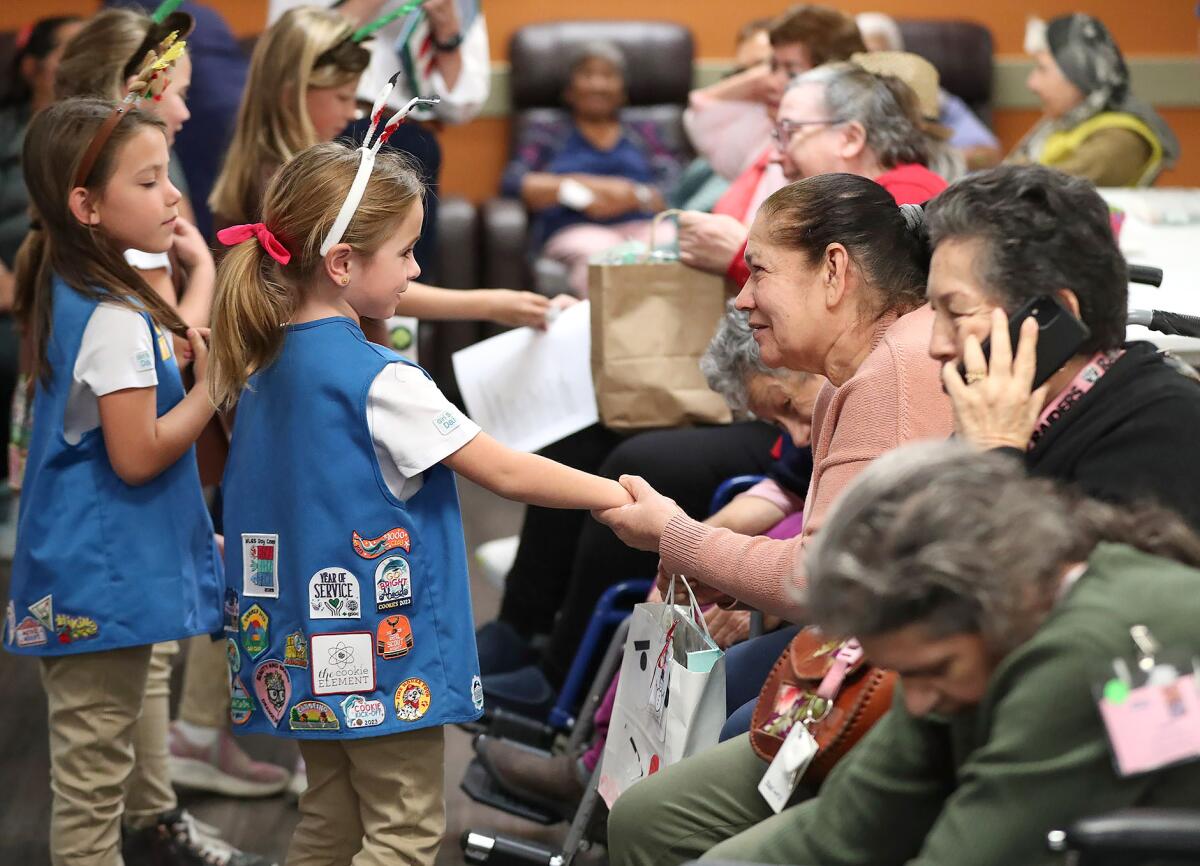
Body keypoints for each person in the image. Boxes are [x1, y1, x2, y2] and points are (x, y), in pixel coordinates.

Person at [210, 137, 633, 866]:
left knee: (331, 816)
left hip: (299, 648)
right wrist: (616, 494)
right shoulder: (383, 380)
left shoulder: (260, 358)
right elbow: (504, 471)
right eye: (405, 252)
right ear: (342, 264)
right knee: (403, 831)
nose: (416, 269)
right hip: (379, 657)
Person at [607, 442, 1200, 866]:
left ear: (996, 602)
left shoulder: (1086, 655)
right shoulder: (973, 640)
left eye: (930, 671)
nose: (914, 699)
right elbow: (853, 822)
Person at [1, 96, 263, 866]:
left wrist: (192, 302)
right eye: (148, 182)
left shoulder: (67, 281)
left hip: (82, 569)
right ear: (85, 204)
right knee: (91, 790)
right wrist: (214, 385)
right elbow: (139, 454)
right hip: (99, 580)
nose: (173, 195)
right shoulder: (114, 313)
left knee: (94, 770)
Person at [474, 304, 821, 812]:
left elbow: (814, 537)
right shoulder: (822, 410)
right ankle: (599, 754)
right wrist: (691, 543)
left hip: (819, 558)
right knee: (675, 578)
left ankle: (606, 772)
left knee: (712, 610)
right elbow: (787, 482)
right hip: (810, 529)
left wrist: (751, 590)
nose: (795, 433)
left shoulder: (865, 395)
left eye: (791, 408)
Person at [595, 172, 954, 623]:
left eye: (758, 272)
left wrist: (674, 533)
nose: (742, 299)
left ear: (834, 270)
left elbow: (822, 580)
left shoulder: (893, 369)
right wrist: (725, 574)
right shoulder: (859, 372)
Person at [211, 6, 564, 333]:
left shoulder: (261, 165)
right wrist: (490, 303)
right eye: (342, 97)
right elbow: (365, 283)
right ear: (292, 93)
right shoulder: (298, 186)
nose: (352, 114)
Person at [927, 163, 1200, 529]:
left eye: (957, 311)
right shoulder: (1006, 419)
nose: (935, 345)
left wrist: (995, 456)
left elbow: (1058, 581)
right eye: (935, 312)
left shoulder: (1162, 429)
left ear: (1049, 316)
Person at [268, 0, 490, 282]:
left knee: (401, 284)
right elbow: (289, 56)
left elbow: (461, 105)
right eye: (342, 97)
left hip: (411, 142)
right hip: (327, 138)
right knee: (335, 276)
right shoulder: (275, 164)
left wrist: (447, 26)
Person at [676, 4, 865, 284]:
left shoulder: (841, 154)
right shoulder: (767, 129)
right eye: (772, 66)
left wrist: (741, 252)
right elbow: (701, 114)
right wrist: (765, 78)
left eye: (791, 71)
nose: (773, 81)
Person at [501, 41, 679, 297]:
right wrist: (581, 188)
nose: (597, 84)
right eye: (587, 74)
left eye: (608, 75)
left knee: (670, 248)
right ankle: (606, 336)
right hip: (575, 228)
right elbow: (514, 182)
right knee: (605, 256)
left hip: (643, 225)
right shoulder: (547, 134)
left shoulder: (646, 133)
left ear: (623, 91)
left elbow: (677, 186)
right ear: (569, 91)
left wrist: (631, 196)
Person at [0, 16, 83, 495]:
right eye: (65, 51)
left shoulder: (102, 134)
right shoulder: (6, 130)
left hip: (59, 287)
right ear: (32, 68)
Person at [1010, 13, 1179, 186]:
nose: (1032, 83)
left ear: (1081, 75)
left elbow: (1049, 190)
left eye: (1042, 69)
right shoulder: (1065, 122)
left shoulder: (1122, 137)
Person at [855, 11, 1002, 169]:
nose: (869, 65)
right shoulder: (838, 103)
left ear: (898, 55)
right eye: (860, 56)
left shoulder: (932, 99)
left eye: (876, 55)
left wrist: (933, 161)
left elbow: (990, 155)